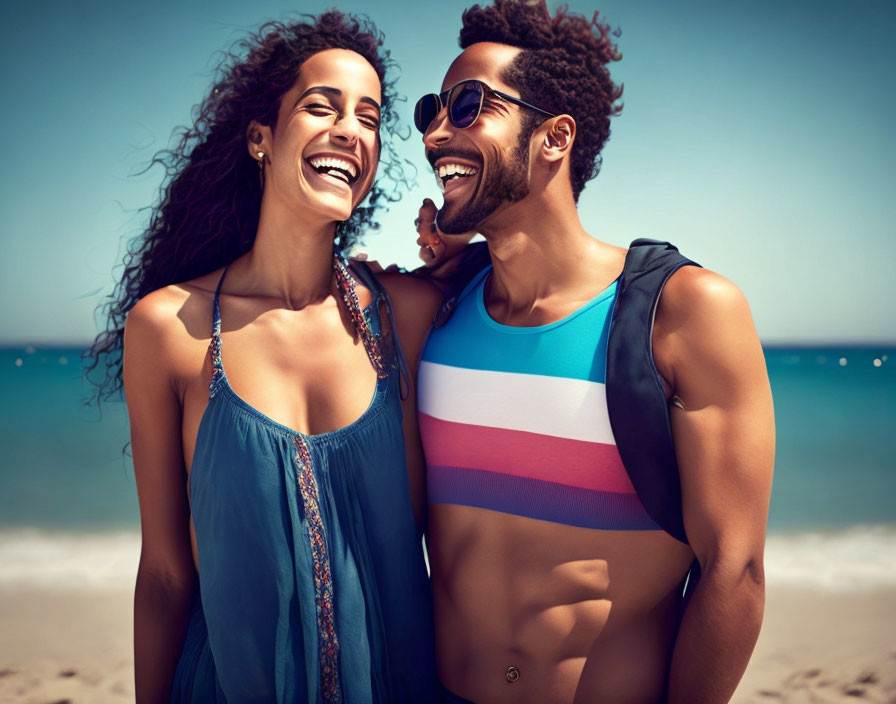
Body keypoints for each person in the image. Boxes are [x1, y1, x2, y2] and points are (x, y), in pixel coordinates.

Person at [410, 1, 775, 702]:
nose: (434, 133)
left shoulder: (684, 311)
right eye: (432, 109)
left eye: (466, 106)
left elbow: (735, 568)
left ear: (555, 137)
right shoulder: (440, 311)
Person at [86, 11, 440, 703]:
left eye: (369, 117)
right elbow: (163, 573)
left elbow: (526, 297)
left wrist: (460, 251)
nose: (349, 129)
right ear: (260, 139)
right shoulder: (170, 332)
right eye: (321, 106)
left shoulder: (406, 315)